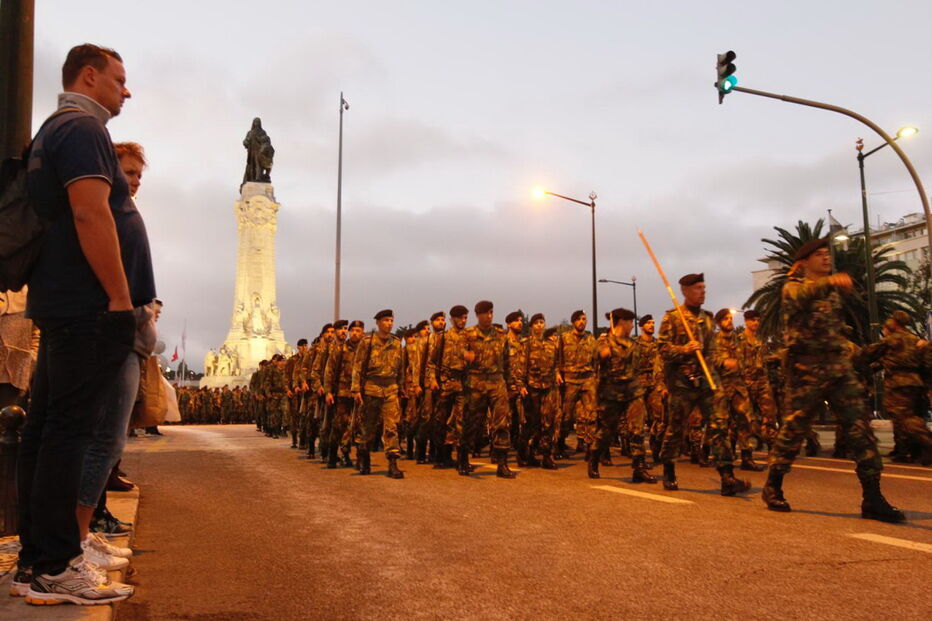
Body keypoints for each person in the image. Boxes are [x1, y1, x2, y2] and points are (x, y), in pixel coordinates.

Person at [15, 43, 147, 606]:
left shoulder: (51, 129)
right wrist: (120, 299)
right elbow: (90, 212)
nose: (127, 89)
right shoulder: (84, 130)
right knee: (69, 434)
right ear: (88, 77)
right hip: (85, 306)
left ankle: (37, 561)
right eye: (119, 79)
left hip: (60, 300)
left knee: (45, 433)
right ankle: (54, 565)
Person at [761, 238, 905, 522]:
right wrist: (831, 283)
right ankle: (774, 483)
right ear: (803, 263)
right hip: (807, 371)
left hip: (838, 370)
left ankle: (872, 498)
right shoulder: (793, 288)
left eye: (828, 254)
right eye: (819, 255)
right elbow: (803, 297)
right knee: (795, 429)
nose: (826, 258)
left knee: (859, 429)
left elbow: (835, 332)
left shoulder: (832, 295)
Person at [657, 274, 750, 496]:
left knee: (719, 425)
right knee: (676, 427)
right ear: (685, 291)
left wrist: (723, 362)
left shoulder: (708, 318)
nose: (703, 291)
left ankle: (727, 475)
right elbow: (662, 349)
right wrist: (684, 350)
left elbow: (712, 351)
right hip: (682, 382)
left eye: (704, 287)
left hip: (708, 380)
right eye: (698, 288)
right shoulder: (672, 318)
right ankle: (669, 468)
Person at [590, 308, 656, 482]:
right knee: (607, 431)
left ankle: (639, 467)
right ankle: (594, 458)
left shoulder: (633, 344)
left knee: (637, 430)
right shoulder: (605, 341)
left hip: (633, 392)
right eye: (630, 322)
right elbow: (595, 354)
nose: (632, 325)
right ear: (621, 323)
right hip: (612, 394)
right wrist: (603, 353)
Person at [863, 310, 932, 465]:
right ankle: (912, 451)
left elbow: (867, 355)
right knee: (907, 417)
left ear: (894, 323)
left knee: (904, 418)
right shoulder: (916, 341)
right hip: (916, 384)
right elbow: (926, 363)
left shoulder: (891, 341)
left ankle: (928, 443)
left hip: (897, 384)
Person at [461, 301, 515, 478]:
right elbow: (456, 356)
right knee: (472, 424)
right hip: (476, 383)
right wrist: (465, 356)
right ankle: (463, 457)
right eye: (485, 313)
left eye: (491, 312)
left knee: (502, 423)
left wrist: (510, 384)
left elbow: (507, 362)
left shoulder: (501, 335)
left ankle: (502, 463)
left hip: (497, 382)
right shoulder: (468, 335)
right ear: (478, 315)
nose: (489, 316)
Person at [351, 310, 405, 478]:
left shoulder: (396, 343)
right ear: (378, 322)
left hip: (390, 389)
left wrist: (401, 388)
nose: (389, 323)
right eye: (386, 320)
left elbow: (401, 368)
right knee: (368, 427)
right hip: (371, 388)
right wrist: (356, 390)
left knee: (392, 426)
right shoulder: (367, 342)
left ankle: (393, 462)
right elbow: (358, 367)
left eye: (391, 320)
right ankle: (364, 457)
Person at [711, 308, 763, 472]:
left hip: (739, 385)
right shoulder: (713, 342)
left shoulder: (739, 340)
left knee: (745, 420)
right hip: (721, 386)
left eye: (730, 318)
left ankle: (747, 457)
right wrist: (723, 362)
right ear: (719, 323)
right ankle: (722, 457)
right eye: (725, 319)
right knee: (722, 424)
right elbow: (709, 360)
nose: (729, 321)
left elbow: (748, 359)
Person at [516, 314, 560, 470]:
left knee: (549, 422)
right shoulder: (526, 344)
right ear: (532, 327)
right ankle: (524, 454)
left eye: (542, 323)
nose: (540, 325)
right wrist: (521, 385)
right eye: (537, 323)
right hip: (532, 388)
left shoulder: (551, 345)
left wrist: (557, 375)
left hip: (548, 388)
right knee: (531, 423)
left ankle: (547, 456)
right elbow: (521, 366)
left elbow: (555, 365)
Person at [557, 310, 597, 458]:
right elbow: (557, 357)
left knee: (591, 414)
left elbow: (595, 360)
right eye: (579, 319)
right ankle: (559, 443)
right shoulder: (564, 338)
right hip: (570, 381)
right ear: (573, 322)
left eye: (584, 319)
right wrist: (557, 373)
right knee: (566, 416)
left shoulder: (590, 339)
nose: (582, 322)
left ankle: (590, 447)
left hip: (587, 380)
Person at [324, 320, 364, 468]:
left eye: (358, 330)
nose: (354, 333)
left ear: (362, 333)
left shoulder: (366, 351)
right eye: (352, 330)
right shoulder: (340, 349)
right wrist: (328, 392)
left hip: (361, 394)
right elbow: (329, 371)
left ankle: (354, 456)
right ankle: (333, 455)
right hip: (342, 393)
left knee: (358, 426)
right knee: (339, 425)